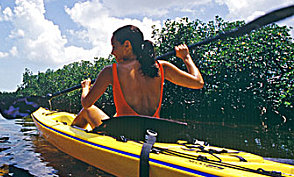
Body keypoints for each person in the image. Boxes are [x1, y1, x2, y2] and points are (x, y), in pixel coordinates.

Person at [72, 25, 204, 129]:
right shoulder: (162, 67)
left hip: (124, 132)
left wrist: (86, 87)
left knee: (85, 111)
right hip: (152, 131)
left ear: (127, 45)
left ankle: (74, 147)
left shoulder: (110, 71)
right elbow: (198, 82)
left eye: (114, 46)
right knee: (117, 115)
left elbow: (87, 103)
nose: (112, 52)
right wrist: (186, 57)